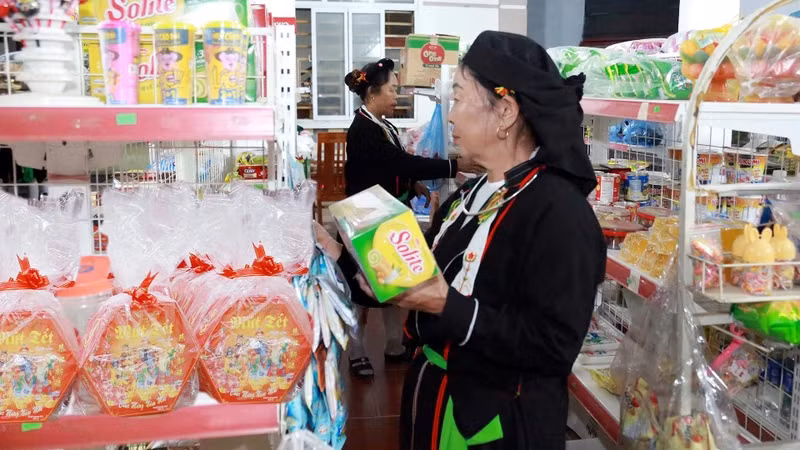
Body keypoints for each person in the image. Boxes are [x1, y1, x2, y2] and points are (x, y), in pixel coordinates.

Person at [316, 31, 605, 449]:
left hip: (498, 426)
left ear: (504, 111)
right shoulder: (467, 198)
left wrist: (445, 306)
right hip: (434, 405)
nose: (449, 115)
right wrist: (339, 255)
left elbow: (553, 346)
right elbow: (415, 281)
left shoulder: (559, 212)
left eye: (459, 96)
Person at [338, 57, 478, 379]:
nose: (397, 95)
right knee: (362, 290)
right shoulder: (362, 130)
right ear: (373, 93)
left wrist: (415, 186)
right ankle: (357, 351)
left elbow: (391, 168)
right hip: (366, 219)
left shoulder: (382, 124)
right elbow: (400, 163)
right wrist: (454, 167)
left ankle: (392, 346)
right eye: (393, 89)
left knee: (393, 282)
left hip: (385, 215)